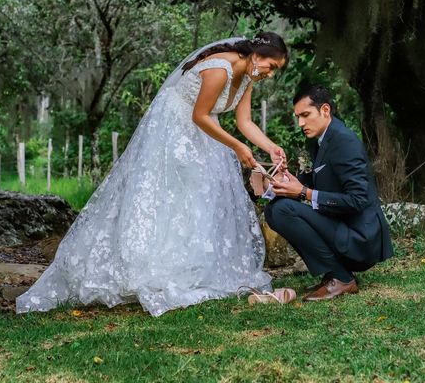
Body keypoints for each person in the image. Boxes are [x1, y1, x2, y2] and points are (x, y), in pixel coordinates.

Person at [16, 33, 289, 317]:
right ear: (257, 56)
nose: (270, 74)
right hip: (175, 126)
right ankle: (150, 266)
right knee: (172, 193)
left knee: (200, 195)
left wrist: (269, 147)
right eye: (272, 66)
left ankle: (189, 264)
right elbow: (200, 115)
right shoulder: (219, 69)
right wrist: (236, 146)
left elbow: (244, 121)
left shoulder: (247, 76)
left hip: (203, 132)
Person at [266, 84, 393, 301]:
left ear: (325, 110)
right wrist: (286, 182)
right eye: (298, 117)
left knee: (283, 210)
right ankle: (334, 274)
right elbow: (320, 181)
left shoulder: (343, 141)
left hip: (360, 238)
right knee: (275, 208)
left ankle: (342, 278)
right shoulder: (322, 140)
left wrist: (304, 192)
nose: (301, 123)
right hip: (342, 227)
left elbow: (358, 199)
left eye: (305, 115)